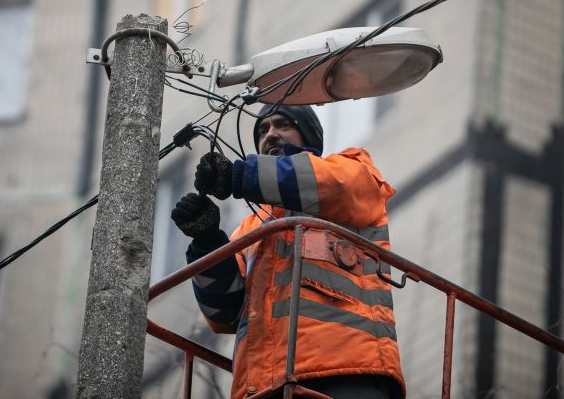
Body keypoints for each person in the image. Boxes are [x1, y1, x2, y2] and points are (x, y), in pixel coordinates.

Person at [171, 104, 405, 398]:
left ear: (308, 137)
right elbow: (225, 313)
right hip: (265, 384)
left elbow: (327, 183)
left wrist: (240, 177)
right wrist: (207, 241)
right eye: (263, 130)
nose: (271, 135)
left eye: (283, 125)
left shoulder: (354, 171)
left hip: (349, 372)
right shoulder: (251, 228)